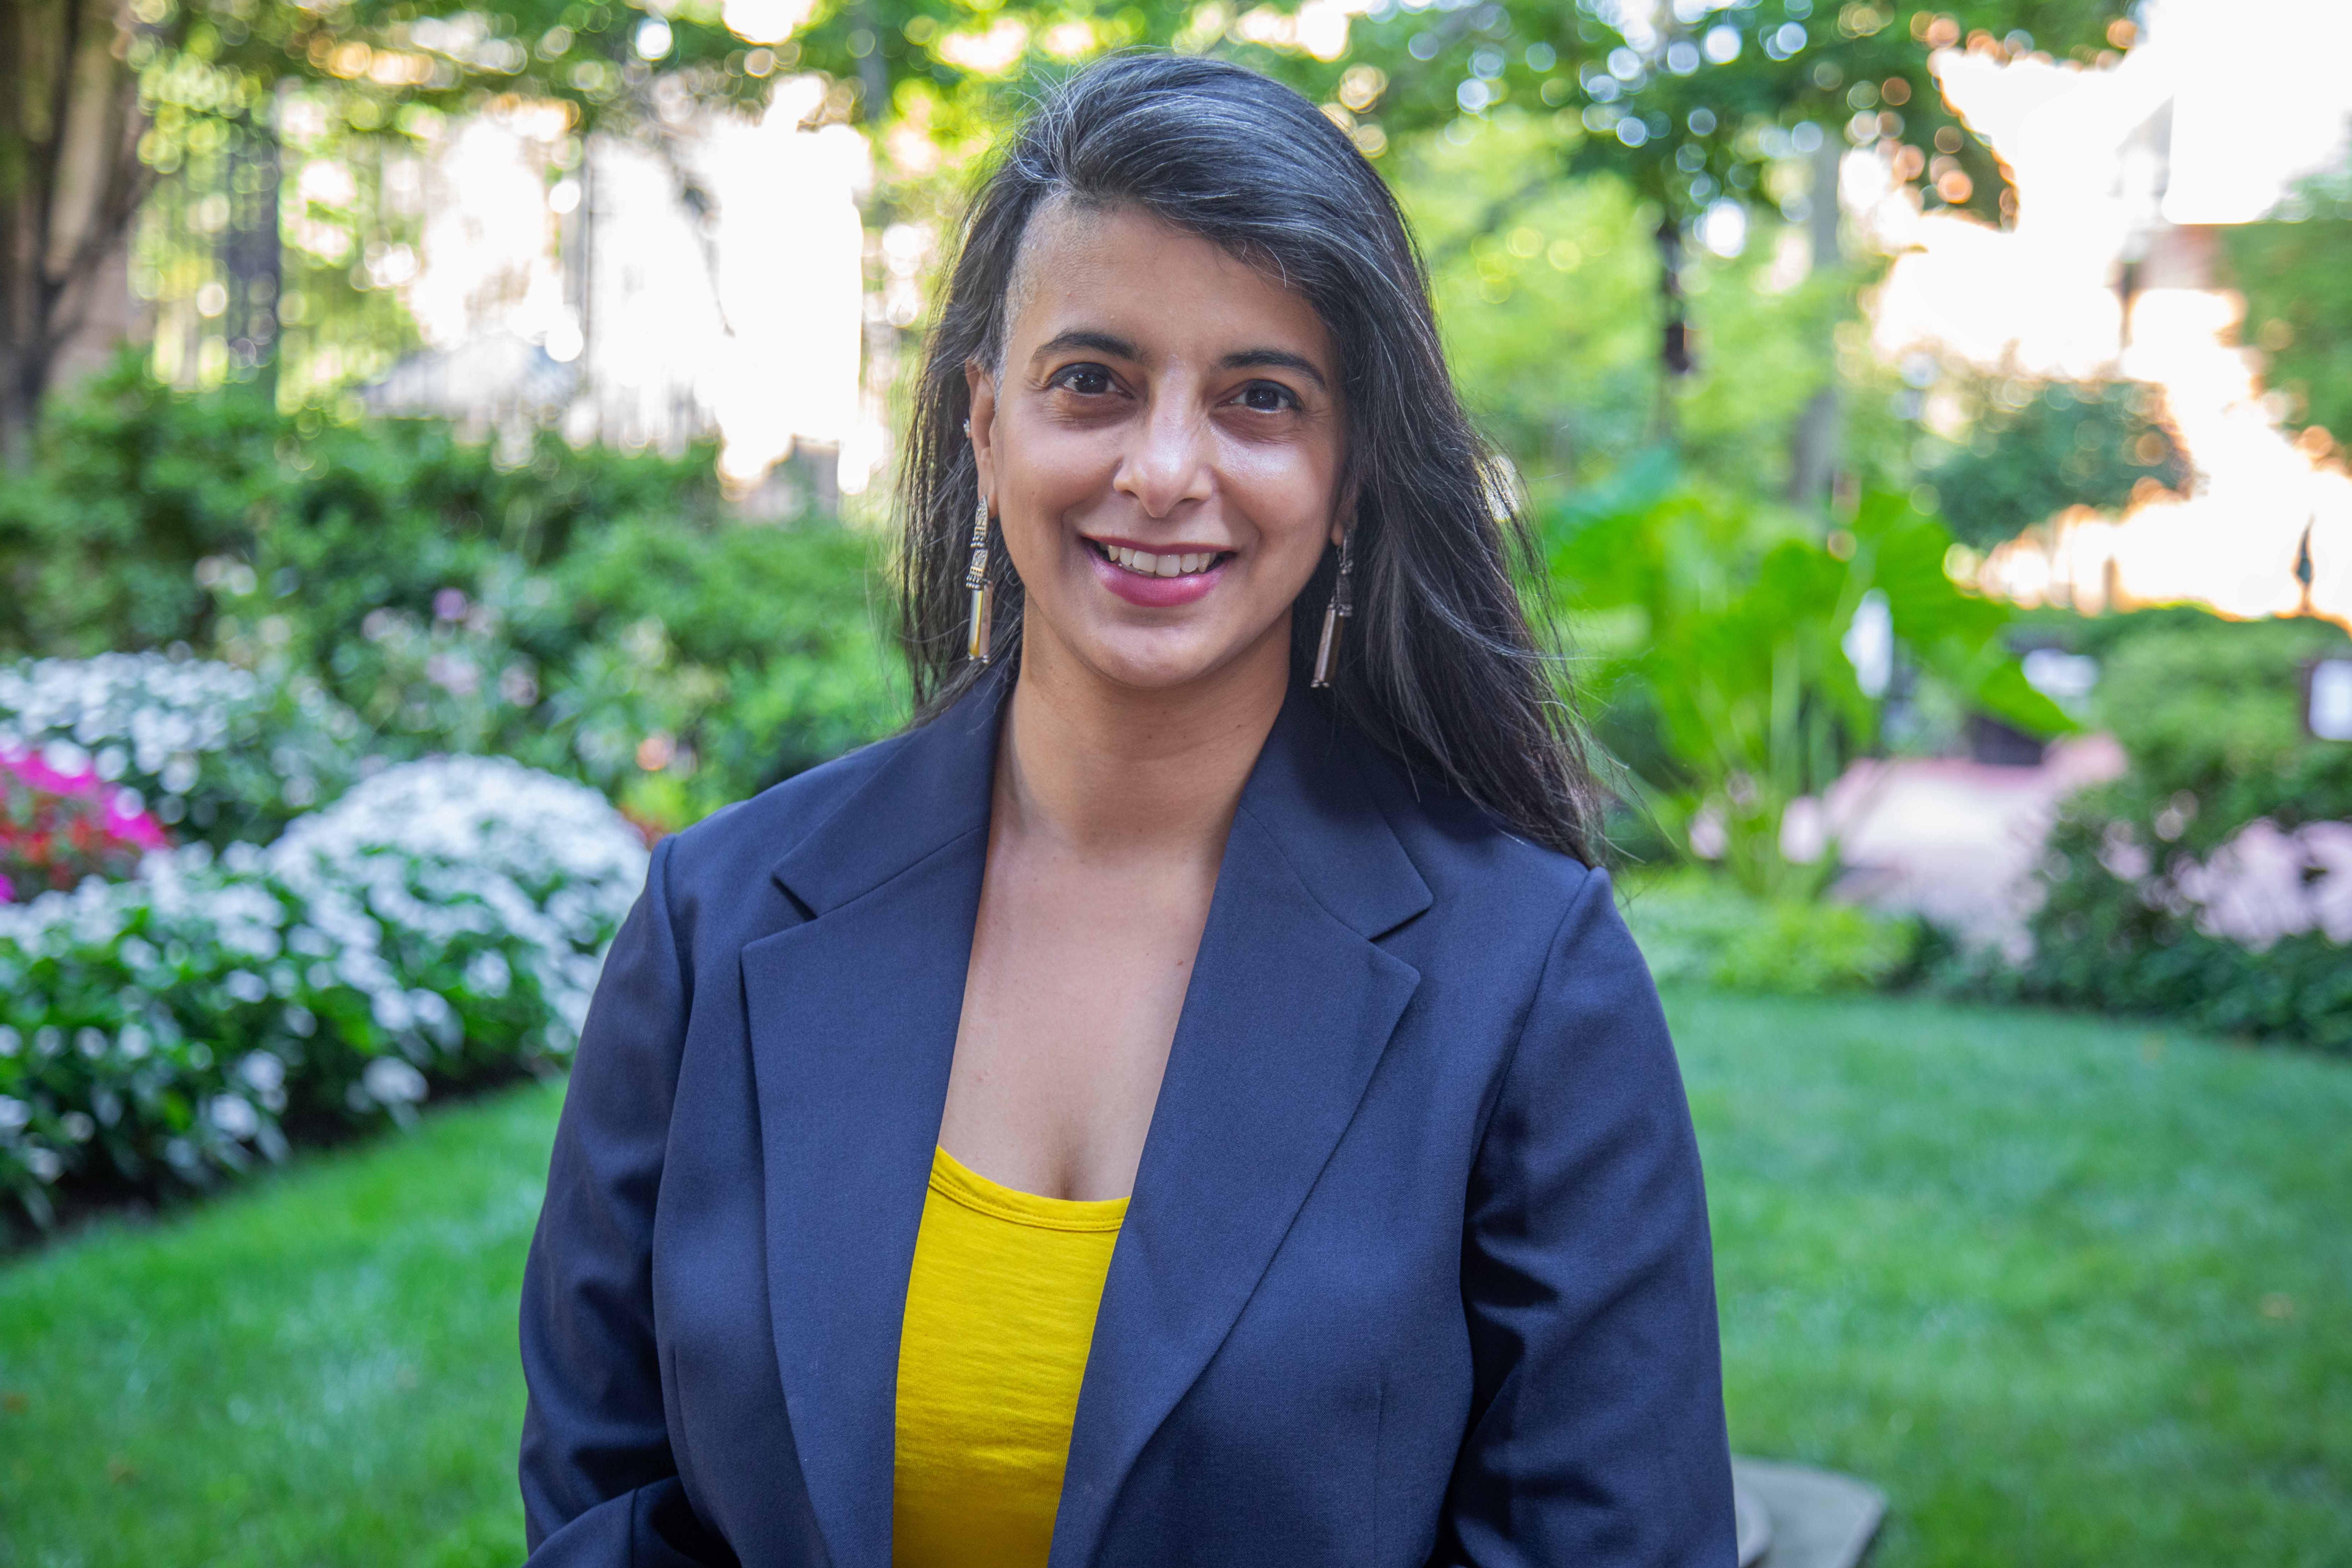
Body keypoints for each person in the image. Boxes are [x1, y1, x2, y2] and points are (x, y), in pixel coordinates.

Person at [518, 52, 1734, 1568]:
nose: (1163, 471)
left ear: (1348, 472)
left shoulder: (1528, 980)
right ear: (983, 425)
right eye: (1091, 381)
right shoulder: (716, 921)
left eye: (1259, 398)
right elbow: (604, 1509)